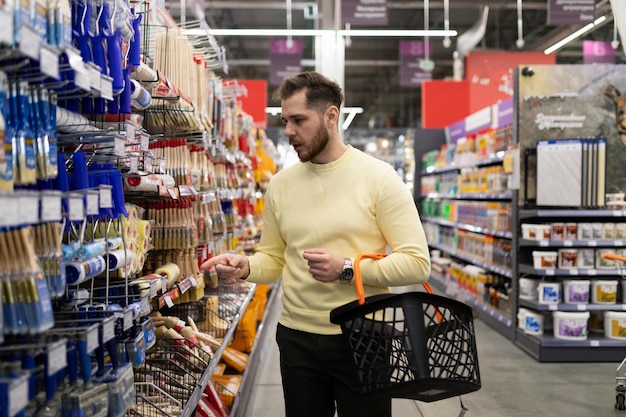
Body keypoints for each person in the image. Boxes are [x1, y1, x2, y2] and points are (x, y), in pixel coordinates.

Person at [201, 71, 431, 417]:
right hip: (296, 338)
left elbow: (416, 263)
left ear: (331, 116)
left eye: (298, 120)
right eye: (285, 120)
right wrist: (247, 265)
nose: (289, 131)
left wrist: (347, 268)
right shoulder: (281, 185)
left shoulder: (379, 178)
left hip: (363, 336)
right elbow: (274, 260)